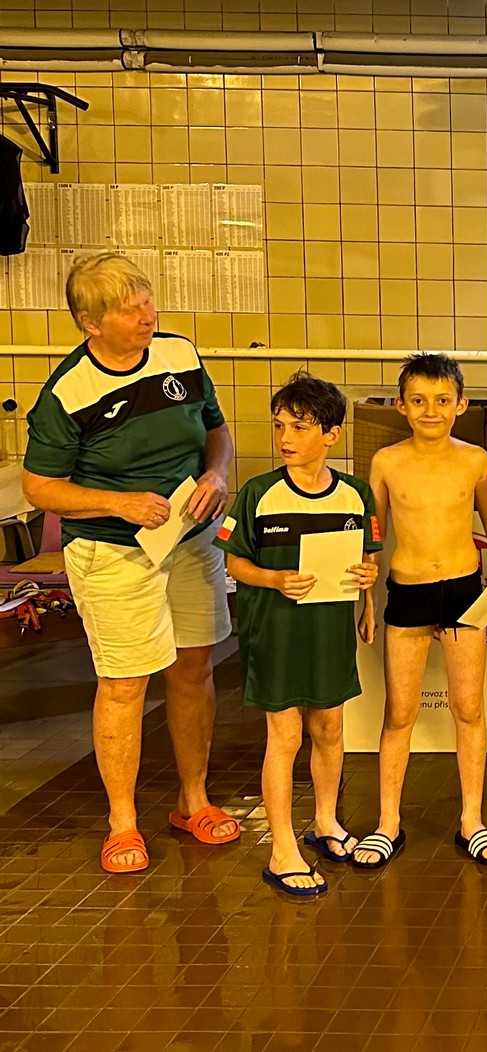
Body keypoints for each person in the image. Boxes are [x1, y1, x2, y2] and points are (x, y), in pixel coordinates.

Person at [21, 252, 237, 874]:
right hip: (113, 551)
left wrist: (217, 474)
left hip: (188, 535)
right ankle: (122, 822)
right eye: (130, 309)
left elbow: (216, 430)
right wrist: (118, 502)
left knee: (194, 667)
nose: (148, 315)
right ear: (91, 323)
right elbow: (40, 486)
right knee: (124, 683)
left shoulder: (179, 355)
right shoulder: (69, 391)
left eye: (148, 301)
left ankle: (192, 800)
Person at [216, 373, 381, 895]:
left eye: (299, 427)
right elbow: (234, 563)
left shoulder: (355, 495)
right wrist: (274, 579)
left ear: (331, 434)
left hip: (329, 629)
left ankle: (326, 822)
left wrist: (369, 595)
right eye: (280, 426)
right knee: (285, 736)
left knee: (329, 729)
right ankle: (282, 847)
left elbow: (368, 558)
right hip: (275, 631)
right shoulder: (258, 494)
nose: (285, 438)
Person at [356, 353, 487, 868]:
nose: (431, 410)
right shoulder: (387, 462)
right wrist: (367, 598)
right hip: (407, 591)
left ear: (460, 405)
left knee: (468, 708)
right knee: (399, 712)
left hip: (463, 590)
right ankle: (387, 822)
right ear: (401, 406)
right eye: (420, 400)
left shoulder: (474, 460)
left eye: (442, 400)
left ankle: (472, 819)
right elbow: (373, 532)